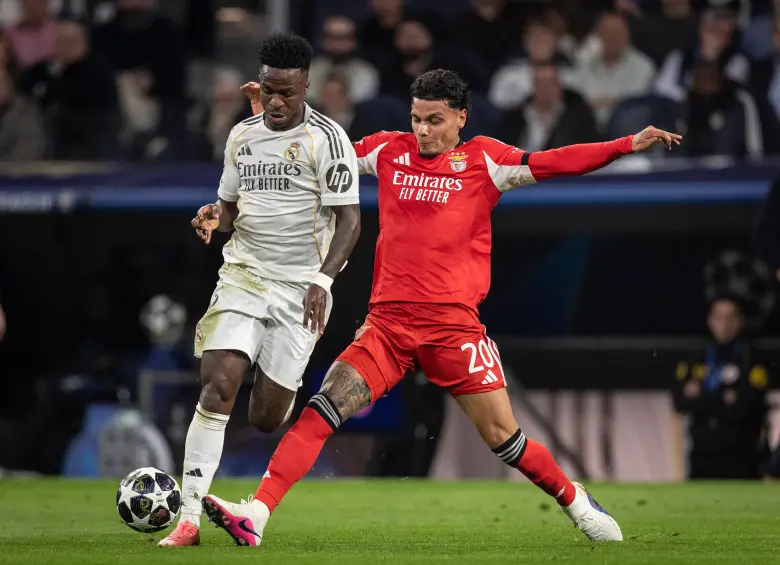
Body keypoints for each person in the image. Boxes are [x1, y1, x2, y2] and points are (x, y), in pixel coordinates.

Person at [202, 69, 681, 547]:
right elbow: (317, 154)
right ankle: (257, 514)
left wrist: (624, 144)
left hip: (454, 331)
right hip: (387, 328)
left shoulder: (486, 160)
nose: (423, 131)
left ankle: (574, 500)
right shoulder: (388, 150)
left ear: (460, 118)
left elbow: (555, 161)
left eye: (434, 120)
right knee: (321, 410)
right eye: (416, 119)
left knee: (506, 441)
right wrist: (271, 123)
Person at [157, 33, 361, 547]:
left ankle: (277, 387)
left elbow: (350, 222)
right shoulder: (241, 136)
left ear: (306, 86)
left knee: (266, 417)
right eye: (269, 90)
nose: (275, 102)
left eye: (286, 93)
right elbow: (229, 208)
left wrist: (323, 280)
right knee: (217, 385)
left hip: (301, 288)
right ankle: (188, 518)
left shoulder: (329, 139)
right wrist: (214, 217)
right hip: (244, 275)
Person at [673, 296, 771, 479]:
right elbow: (680, 403)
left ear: (740, 321)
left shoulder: (751, 360)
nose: (724, 324)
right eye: (719, 317)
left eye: (730, 317)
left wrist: (702, 397)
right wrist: (723, 398)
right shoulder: (695, 358)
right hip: (701, 456)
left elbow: (746, 408)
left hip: (742, 458)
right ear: (710, 320)